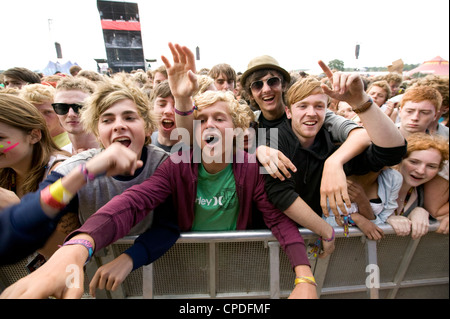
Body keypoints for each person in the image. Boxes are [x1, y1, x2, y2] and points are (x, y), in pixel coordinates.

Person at [1, 63, 320, 300]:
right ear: (95, 128)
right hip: (150, 275)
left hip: (233, 269)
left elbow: (277, 216)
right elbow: (130, 204)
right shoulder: (172, 166)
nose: (118, 127)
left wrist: (306, 275)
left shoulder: (207, 164)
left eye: (129, 117)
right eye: (107, 120)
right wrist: (78, 244)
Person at [263, 70, 406, 239]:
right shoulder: (270, 137)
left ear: (327, 110)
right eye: (302, 106)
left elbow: (392, 153)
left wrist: (360, 99)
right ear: (288, 112)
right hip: (274, 235)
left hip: (316, 237)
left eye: (319, 106)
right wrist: (326, 231)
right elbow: (280, 194)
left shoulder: (333, 141)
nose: (311, 113)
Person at [0, 94, 71, 262]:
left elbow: (72, 254)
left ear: (34, 135)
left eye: (1, 138)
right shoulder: (6, 169)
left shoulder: (63, 174)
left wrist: (21, 214)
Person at [386, 133, 449, 239]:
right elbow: (350, 218)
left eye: (431, 166)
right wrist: (387, 219)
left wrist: (420, 211)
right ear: (401, 159)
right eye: (414, 162)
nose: (421, 171)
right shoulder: (380, 182)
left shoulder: (421, 191)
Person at [53, 77, 100, 154]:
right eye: (62, 107)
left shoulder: (113, 153)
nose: (71, 114)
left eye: (80, 107)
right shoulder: (57, 158)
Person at [19, 83, 71, 152]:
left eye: (47, 112)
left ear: (59, 112)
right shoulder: (21, 141)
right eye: (33, 112)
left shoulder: (72, 142)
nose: (40, 118)